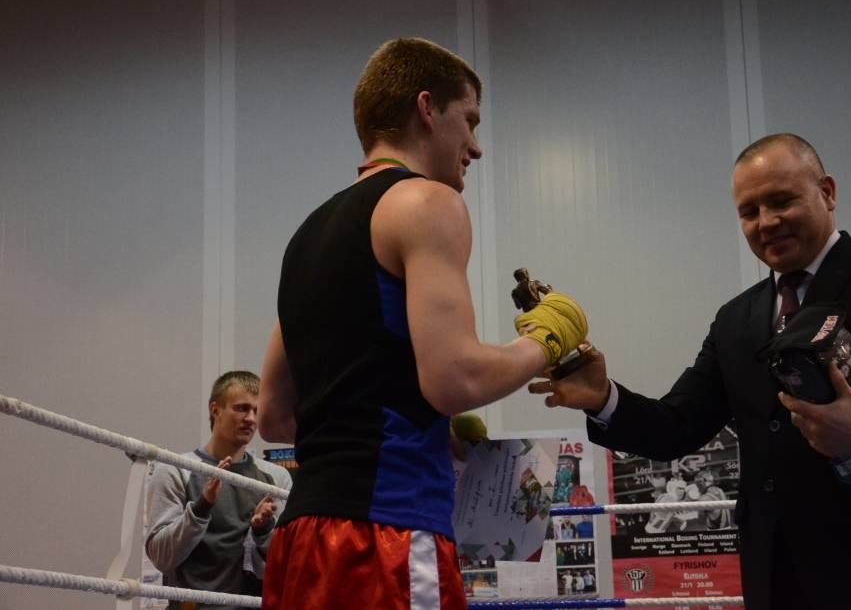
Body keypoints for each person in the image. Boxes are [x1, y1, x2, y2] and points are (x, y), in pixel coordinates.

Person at [530, 133, 851, 610]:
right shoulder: (735, 319)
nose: (767, 222)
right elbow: (678, 425)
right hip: (781, 583)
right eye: (749, 211)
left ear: (827, 192)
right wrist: (603, 398)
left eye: (782, 201)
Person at [256, 37, 589, 610]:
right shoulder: (427, 202)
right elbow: (456, 379)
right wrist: (546, 338)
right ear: (427, 107)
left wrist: (416, 421)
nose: (476, 147)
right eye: (470, 121)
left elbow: (274, 416)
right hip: (385, 536)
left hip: (301, 540)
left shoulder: (306, 237)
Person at [144, 371, 292, 610]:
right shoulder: (176, 469)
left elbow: (288, 561)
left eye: (256, 411)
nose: (251, 419)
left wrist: (264, 529)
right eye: (242, 408)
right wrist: (201, 507)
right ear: (216, 410)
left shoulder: (275, 478)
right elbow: (161, 557)